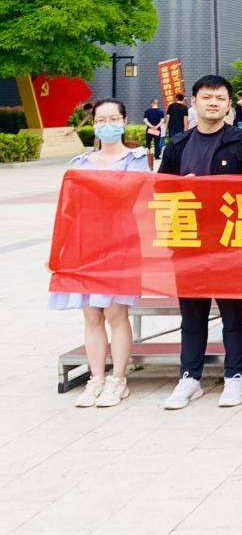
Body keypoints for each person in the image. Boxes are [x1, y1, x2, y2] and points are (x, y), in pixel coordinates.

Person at [160, 75, 242, 410]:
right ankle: (190, 376)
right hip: (188, 239)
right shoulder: (177, 144)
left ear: (229, 104)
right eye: (207, 97)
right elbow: (161, 190)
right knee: (192, 314)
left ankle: (236, 375)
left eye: (220, 98)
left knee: (233, 312)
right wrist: (181, 188)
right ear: (194, 101)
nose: (213, 103)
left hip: (230, 241)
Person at [49, 99, 150, 408]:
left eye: (113, 119)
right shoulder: (79, 163)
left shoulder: (136, 158)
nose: (108, 125)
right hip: (84, 244)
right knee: (91, 314)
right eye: (101, 120)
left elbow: (127, 193)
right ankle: (96, 378)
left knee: (116, 313)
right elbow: (69, 208)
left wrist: (95, 186)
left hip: (120, 242)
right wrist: (59, 250)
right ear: (94, 124)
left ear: (124, 121)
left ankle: (118, 379)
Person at [143, 98, 165, 166]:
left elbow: (145, 120)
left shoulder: (147, 111)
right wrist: (156, 126)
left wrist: (151, 126)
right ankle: (157, 156)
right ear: (157, 104)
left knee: (148, 142)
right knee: (157, 143)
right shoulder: (161, 112)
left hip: (149, 129)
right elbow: (162, 120)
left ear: (151, 104)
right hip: (157, 129)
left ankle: (147, 155)